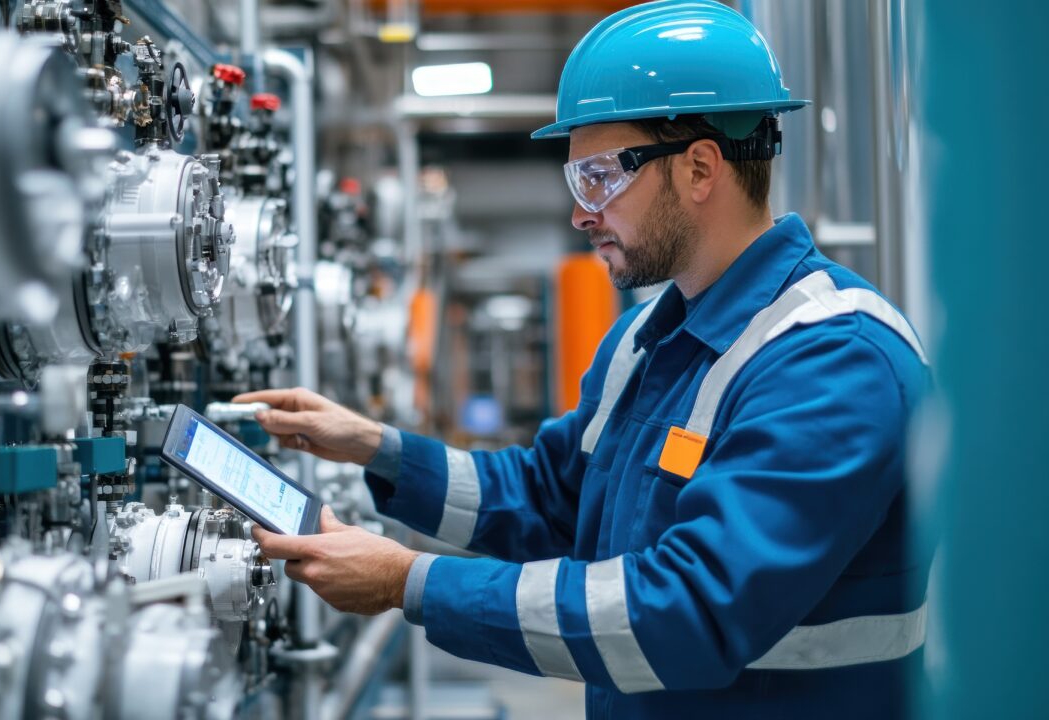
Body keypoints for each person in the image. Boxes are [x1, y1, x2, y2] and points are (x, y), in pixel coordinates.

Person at [234, 1, 932, 717]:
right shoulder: (647, 341)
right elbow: (548, 495)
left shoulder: (833, 362)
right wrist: (374, 448)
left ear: (699, 168)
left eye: (598, 177)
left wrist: (409, 582)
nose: (580, 213)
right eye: (578, 183)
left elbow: (683, 611)